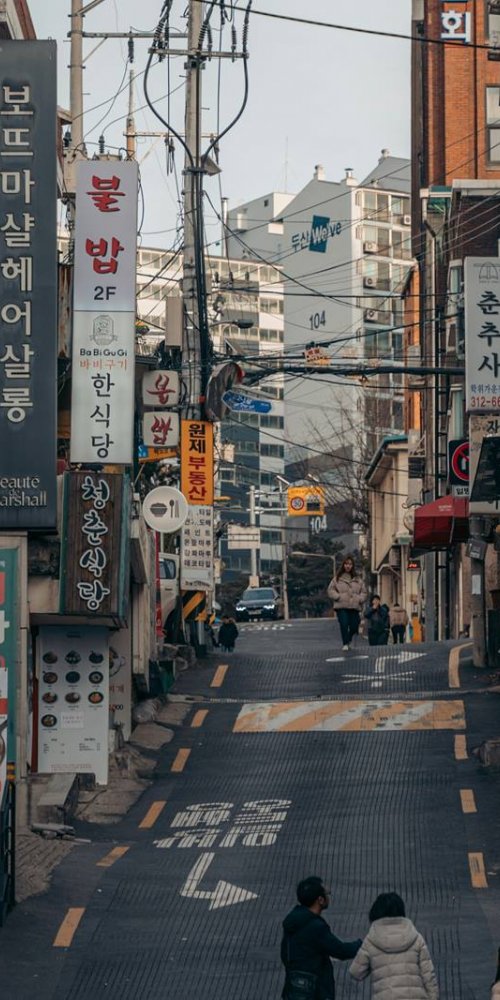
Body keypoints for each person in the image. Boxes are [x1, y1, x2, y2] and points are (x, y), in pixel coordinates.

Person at [281, 876, 362, 1000]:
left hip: (294, 988)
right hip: (315, 991)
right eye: (327, 894)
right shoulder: (316, 927)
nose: (328, 896)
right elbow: (340, 950)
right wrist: (362, 944)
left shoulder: (292, 921)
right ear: (320, 900)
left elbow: (284, 954)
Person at [349, 892, 439, 999]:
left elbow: (356, 972)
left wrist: (373, 963)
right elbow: (428, 974)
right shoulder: (415, 937)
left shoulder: (371, 940)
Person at [327, 557, 367, 651]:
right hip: (342, 606)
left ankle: (348, 639)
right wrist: (338, 597)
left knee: (354, 625)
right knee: (344, 624)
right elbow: (330, 590)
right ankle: (345, 643)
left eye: (350, 564)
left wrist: (360, 599)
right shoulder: (337, 578)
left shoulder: (358, 579)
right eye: (346, 564)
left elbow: (364, 592)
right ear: (343, 565)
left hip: (354, 606)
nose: (348, 566)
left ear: (352, 566)